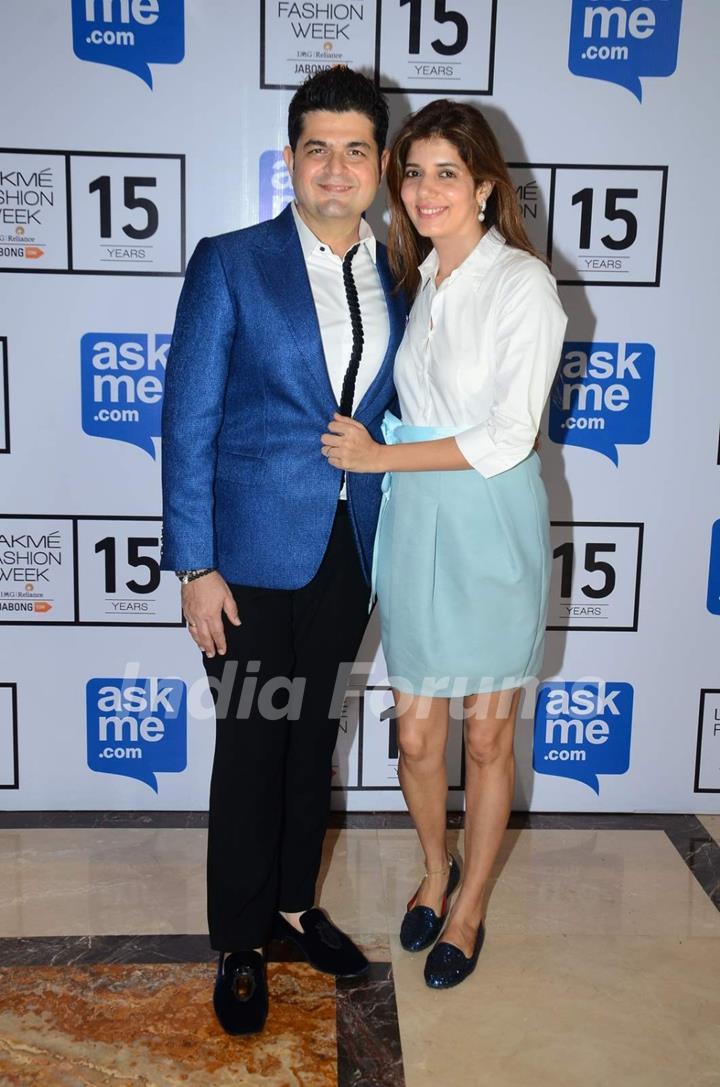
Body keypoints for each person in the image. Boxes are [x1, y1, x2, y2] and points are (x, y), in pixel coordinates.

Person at [161, 67, 406, 1035]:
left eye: (355, 150)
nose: (336, 169)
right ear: (291, 159)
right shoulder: (232, 261)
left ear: (379, 164)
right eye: (318, 148)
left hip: (353, 545)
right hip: (250, 555)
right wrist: (195, 566)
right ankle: (239, 938)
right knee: (252, 742)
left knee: (315, 742)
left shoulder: (402, 272)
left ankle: (297, 905)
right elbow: (188, 422)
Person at [321, 99, 568, 989]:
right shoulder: (415, 281)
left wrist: (382, 453)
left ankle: (468, 909)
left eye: (446, 174)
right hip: (418, 523)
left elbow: (508, 435)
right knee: (420, 739)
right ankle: (437, 866)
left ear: (485, 187)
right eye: (414, 172)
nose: (425, 191)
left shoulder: (523, 285)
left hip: (491, 524)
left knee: (490, 738)